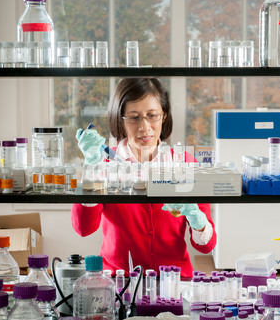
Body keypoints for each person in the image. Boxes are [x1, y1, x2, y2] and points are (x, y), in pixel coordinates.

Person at [71, 78, 217, 278]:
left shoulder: (185, 163)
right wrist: (91, 169)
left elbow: (206, 246)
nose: (144, 127)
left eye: (152, 115)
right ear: (119, 118)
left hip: (174, 281)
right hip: (118, 282)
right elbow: (83, 229)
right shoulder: (104, 163)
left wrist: (196, 217)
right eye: (134, 117)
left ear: (164, 116)